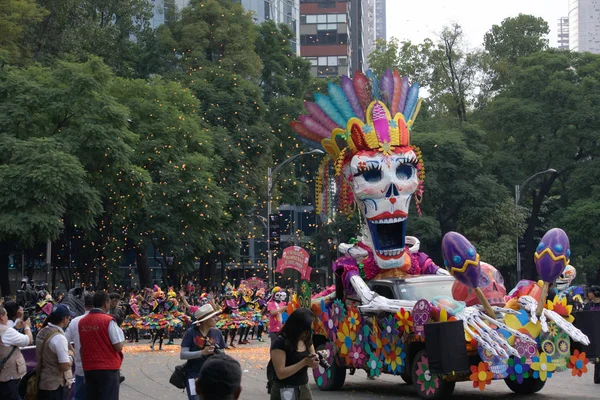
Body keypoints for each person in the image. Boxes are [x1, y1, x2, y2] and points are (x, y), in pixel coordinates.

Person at [79, 291, 125, 400]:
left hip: (89, 367)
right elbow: (118, 346)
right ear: (106, 303)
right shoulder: (108, 320)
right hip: (107, 368)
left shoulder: (82, 322)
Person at [269, 308, 320, 400]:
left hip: (304, 388)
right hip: (284, 388)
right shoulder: (280, 342)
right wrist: (304, 362)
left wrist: (317, 358)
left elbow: (312, 362)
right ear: (299, 327)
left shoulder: (306, 339)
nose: (310, 330)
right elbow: (280, 373)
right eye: (308, 328)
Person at [180, 303, 226, 400]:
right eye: (213, 317)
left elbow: (223, 354)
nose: (216, 319)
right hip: (194, 375)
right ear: (205, 320)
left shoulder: (217, 333)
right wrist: (202, 353)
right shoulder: (191, 332)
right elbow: (183, 354)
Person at [35, 304, 73, 400]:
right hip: (55, 386)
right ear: (64, 319)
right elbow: (64, 366)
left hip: (43, 382)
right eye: (69, 318)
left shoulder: (42, 331)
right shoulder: (59, 338)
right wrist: (71, 356)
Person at [0, 305, 33, 400]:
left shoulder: (6, 332)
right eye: (6, 315)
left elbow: (6, 341)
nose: (7, 317)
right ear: (1, 317)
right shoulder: (6, 331)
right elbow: (28, 340)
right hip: (10, 377)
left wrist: (15, 327)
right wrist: (27, 327)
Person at [65, 293, 94, 400]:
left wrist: (73, 350)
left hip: (81, 366)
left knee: (79, 396)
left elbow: (64, 340)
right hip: (100, 368)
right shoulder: (105, 320)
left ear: (84, 304)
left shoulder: (75, 321)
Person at [584, 285, 600, 384]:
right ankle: (597, 377)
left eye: (590, 292)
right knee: (596, 356)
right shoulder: (589, 305)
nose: (588, 294)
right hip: (593, 334)